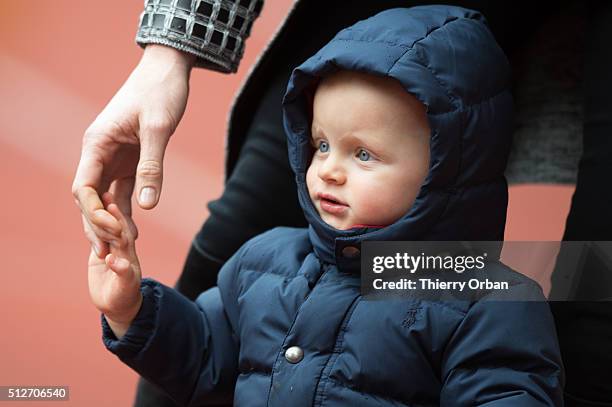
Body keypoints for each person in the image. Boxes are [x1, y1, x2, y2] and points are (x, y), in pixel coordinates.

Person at [87, 7, 564, 406]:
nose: (330, 170)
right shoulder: (263, 262)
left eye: (363, 154)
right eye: (320, 145)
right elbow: (206, 358)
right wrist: (132, 309)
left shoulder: (487, 304)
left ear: (448, 166)